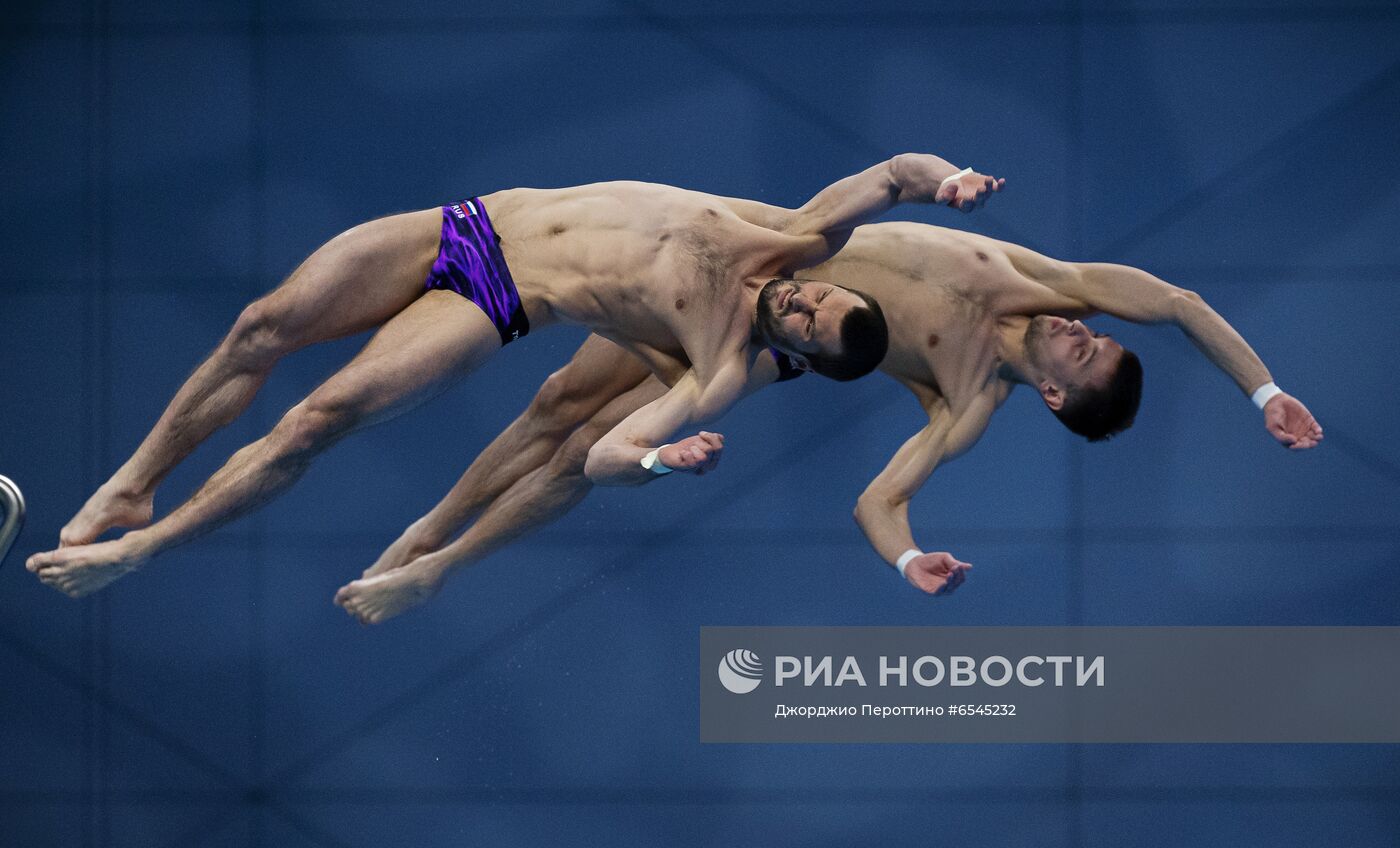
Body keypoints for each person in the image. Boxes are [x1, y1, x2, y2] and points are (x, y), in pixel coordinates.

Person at [28, 154, 1005, 598]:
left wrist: (666, 462)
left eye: (811, 324)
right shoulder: (788, 237)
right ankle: (137, 476)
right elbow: (892, 173)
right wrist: (949, 180)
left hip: (499, 295)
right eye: (816, 297)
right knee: (262, 324)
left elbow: (608, 455)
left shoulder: (713, 364)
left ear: (798, 355)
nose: (800, 303)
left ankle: (146, 545)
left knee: (321, 416)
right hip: (473, 223)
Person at [328, 210, 1321, 624]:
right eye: (1093, 330)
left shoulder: (965, 400)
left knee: (593, 446)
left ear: (1056, 394)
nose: (1078, 325)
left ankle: (435, 570)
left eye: (1083, 349)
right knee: (554, 400)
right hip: (761, 272)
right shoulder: (1046, 278)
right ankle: (420, 527)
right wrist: (1265, 392)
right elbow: (1183, 305)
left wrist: (907, 559)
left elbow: (877, 502)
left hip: (772, 342)